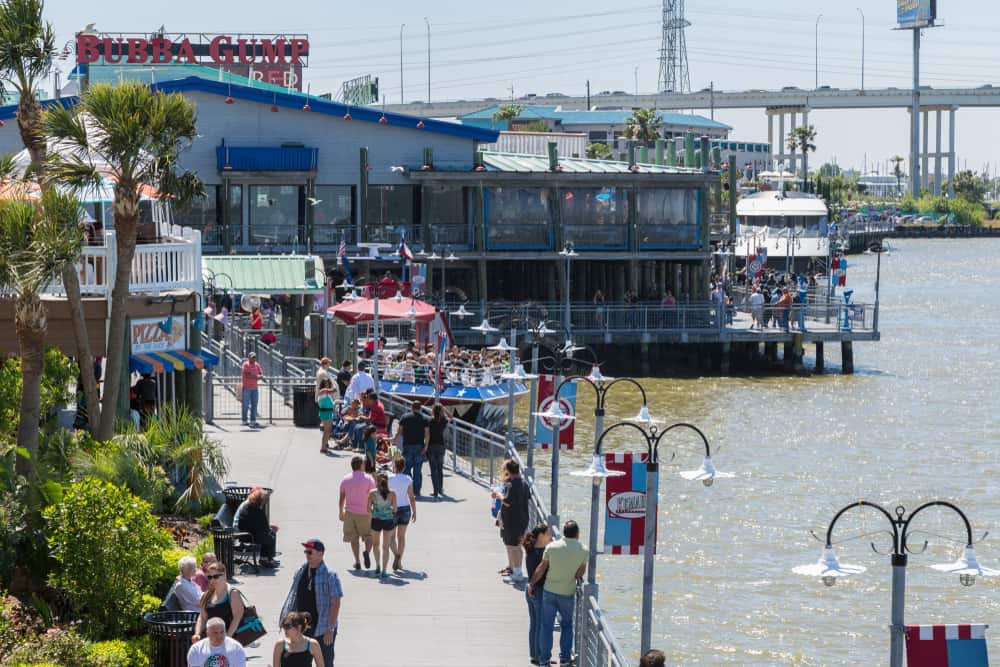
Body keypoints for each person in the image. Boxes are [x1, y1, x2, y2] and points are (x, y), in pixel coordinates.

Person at [530, 520, 588, 667]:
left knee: (546, 626)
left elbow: (541, 568)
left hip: (549, 592)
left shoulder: (551, 547)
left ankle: (544, 660)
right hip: (567, 592)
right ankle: (565, 658)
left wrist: (531, 584)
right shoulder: (583, 550)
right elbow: (580, 572)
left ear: (563, 532)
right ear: (577, 534)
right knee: (567, 625)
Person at [279, 540, 343, 667]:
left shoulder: (330, 575)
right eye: (306, 551)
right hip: (301, 628)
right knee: (300, 662)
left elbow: (335, 602)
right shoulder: (301, 571)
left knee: (325, 663)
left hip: (323, 628)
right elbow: (294, 597)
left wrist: (330, 628)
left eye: (310, 552)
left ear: (321, 553)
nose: (307, 554)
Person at [338, 455, 375, 570]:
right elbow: (373, 495)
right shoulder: (369, 479)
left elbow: (342, 497)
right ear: (361, 465)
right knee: (369, 536)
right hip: (365, 512)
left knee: (353, 539)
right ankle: (367, 553)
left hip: (350, 513)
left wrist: (340, 512)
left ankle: (357, 561)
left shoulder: (345, 479)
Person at [192, 563, 245, 642]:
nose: (212, 580)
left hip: (229, 640)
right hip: (210, 640)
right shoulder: (206, 595)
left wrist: (227, 638)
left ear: (224, 576)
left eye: (216, 577)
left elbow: (237, 617)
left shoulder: (232, 593)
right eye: (209, 577)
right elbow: (202, 617)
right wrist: (197, 634)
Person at [523, 524, 552, 666]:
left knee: (534, 624)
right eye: (548, 533)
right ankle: (541, 656)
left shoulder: (531, 549)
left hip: (530, 589)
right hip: (539, 590)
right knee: (541, 625)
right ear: (541, 536)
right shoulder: (545, 553)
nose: (551, 535)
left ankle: (535, 655)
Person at [496, 460, 530, 583]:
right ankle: (517, 570)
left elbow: (507, 502)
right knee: (517, 546)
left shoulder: (512, 484)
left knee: (512, 546)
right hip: (522, 519)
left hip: (512, 520)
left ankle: (517, 573)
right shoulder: (524, 483)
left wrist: (498, 495)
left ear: (508, 471)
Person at [233, 487, 280, 568]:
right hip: (252, 538)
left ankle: (266, 559)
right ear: (260, 501)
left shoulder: (245, 508)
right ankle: (266, 559)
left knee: (267, 534)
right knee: (271, 535)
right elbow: (265, 528)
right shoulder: (259, 512)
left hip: (243, 536)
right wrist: (270, 529)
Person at [387, 457, 416, 571]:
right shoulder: (408, 479)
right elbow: (411, 497)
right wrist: (414, 511)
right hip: (405, 509)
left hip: (392, 508)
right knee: (402, 537)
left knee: (391, 537)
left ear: (394, 466)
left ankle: (396, 556)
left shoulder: (389, 478)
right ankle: (399, 561)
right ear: (404, 467)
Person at [395, 401, 428, 497]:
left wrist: (395, 441)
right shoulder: (424, 418)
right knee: (418, 470)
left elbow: (399, 431)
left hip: (407, 446)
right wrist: (426, 446)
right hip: (419, 446)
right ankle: (417, 491)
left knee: (407, 468)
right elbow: (427, 433)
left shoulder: (405, 417)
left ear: (412, 407)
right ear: (420, 408)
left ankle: (409, 489)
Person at [367, 473, 397, 579]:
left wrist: (375, 511)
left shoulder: (372, 493)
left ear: (377, 481)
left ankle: (378, 566)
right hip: (388, 520)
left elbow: (367, 509)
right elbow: (395, 509)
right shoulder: (392, 493)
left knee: (376, 544)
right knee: (386, 547)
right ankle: (384, 570)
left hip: (376, 520)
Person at [426, 404, 449, 498]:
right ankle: (440, 489)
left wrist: (425, 446)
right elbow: (451, 417)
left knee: (433, 469)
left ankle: (435, 491)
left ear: (433, 411)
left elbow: (427, 433)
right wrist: (445, 409)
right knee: (440, 469)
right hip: (441, 445)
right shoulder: (443, 421)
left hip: (431, 445)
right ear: (441, 411)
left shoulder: (429, 420)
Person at [241, 352, 263, 428]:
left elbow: (261, 374)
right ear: (249, 357)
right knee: (245, 405)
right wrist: (256, 376)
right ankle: (244, 420)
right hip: (246, 387)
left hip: (255, 388)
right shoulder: (245, 364)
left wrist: (256, 376)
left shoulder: (257, 365)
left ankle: (253, 420)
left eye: (254, 357)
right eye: (252, 357)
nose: (253, 359)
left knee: (254, 405)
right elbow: (247, 375)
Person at [316, 378, 337, 454]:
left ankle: (324, 446)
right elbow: (334, 390)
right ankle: (323, 447)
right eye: (326, 383)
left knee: (327, 431)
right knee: (326, 431)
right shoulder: (322, 391)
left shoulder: (327, 393)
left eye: (328, 383)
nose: (327, 385)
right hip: (325, 413)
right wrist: (334, 383)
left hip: (328, 413)